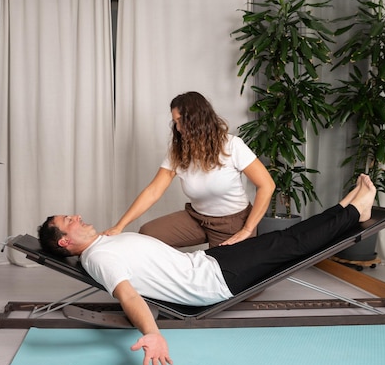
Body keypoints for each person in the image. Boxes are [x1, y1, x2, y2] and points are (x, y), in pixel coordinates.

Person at [38, 174, 376, 365]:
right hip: (215, 279)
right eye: (69, 220)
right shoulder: (98, 258)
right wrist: (152, 333)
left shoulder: (104, 241)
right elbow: (128, 295)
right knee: (291, 243)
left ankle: (345, 210)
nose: (77, 216)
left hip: (209, 262)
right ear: (66, 241)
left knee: (283, 240)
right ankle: (352, 212)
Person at [104, 91, 275, 248]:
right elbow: (153, 191)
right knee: (148, 233)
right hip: (196, 219)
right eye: (175, 122)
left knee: (224, 276)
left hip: (232, 223)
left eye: (181, 121)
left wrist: (247, 229)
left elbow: (267, 185)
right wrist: (119, 226)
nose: (178, 128)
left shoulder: (232, 146)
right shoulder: (178, 152)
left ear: (198, 119)